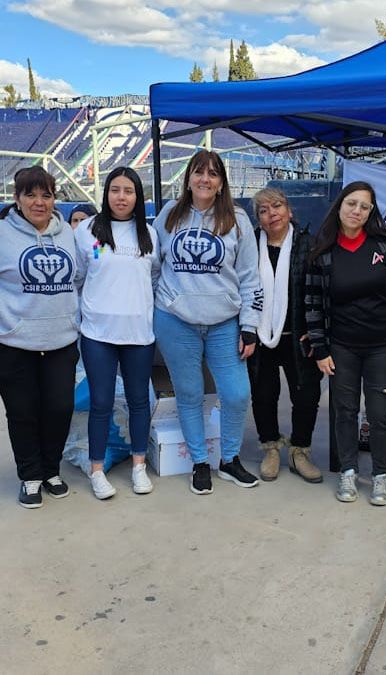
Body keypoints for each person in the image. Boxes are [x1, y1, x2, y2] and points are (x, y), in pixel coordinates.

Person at [0, 166, 81, 509]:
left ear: (55, 199)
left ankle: (51, 469)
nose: (39, 202)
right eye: (30, 195)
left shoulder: (71, 235)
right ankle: (30, 475)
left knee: (60, 408)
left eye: (46, 195)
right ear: (16, 199)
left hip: (60, 340)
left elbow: (89, 268)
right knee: (23, 411)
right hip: (9, 343)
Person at [154, 149, 262, 495]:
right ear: (188, 177)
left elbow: (250, 278)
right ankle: (199, 462)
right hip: (175, 321)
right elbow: (153, 264)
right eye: (199, 172)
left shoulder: (237, 219)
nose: (205, 179)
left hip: (224, 323)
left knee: (235, 393)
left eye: (213, 174)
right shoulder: (170, 215)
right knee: (189, 394)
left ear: (221, 183)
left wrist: (250, 325)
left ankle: (229, 459)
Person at [305, 181, 386, 506]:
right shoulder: (323, 251)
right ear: (340, 206)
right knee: (344, 411)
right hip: (342, 348)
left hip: (383, 346)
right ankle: (348, 472)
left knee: (379, 415)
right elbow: (313, 304)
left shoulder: (385, 246)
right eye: (351, 204)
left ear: (371, 212)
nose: (357, 211)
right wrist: (321, 350)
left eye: (364, 206)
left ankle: (380, 476)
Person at [73, 167, 159, 499]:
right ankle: (97, 470)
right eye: (115, 190)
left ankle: (139, 466)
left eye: (128, 191)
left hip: (138, 334)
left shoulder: (149, 234)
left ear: (138, 197)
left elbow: (154, 277)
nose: (121, 197)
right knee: (101, 402)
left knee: (139, 401)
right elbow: (80, 275)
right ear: (106, 194)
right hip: (97, 334)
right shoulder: (89, 232)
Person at [247, 188, 323, 484]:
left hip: (299, 337)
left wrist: (316, 334)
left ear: (290, 211)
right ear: (258, 219)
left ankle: (299, 452)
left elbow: (319, 292)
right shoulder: (250, 245)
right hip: (260, 336)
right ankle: (270, 448)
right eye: (263, 210)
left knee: (307, 395)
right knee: (263, 395)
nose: (271, 214)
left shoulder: (309, 244)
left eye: (277, 206)